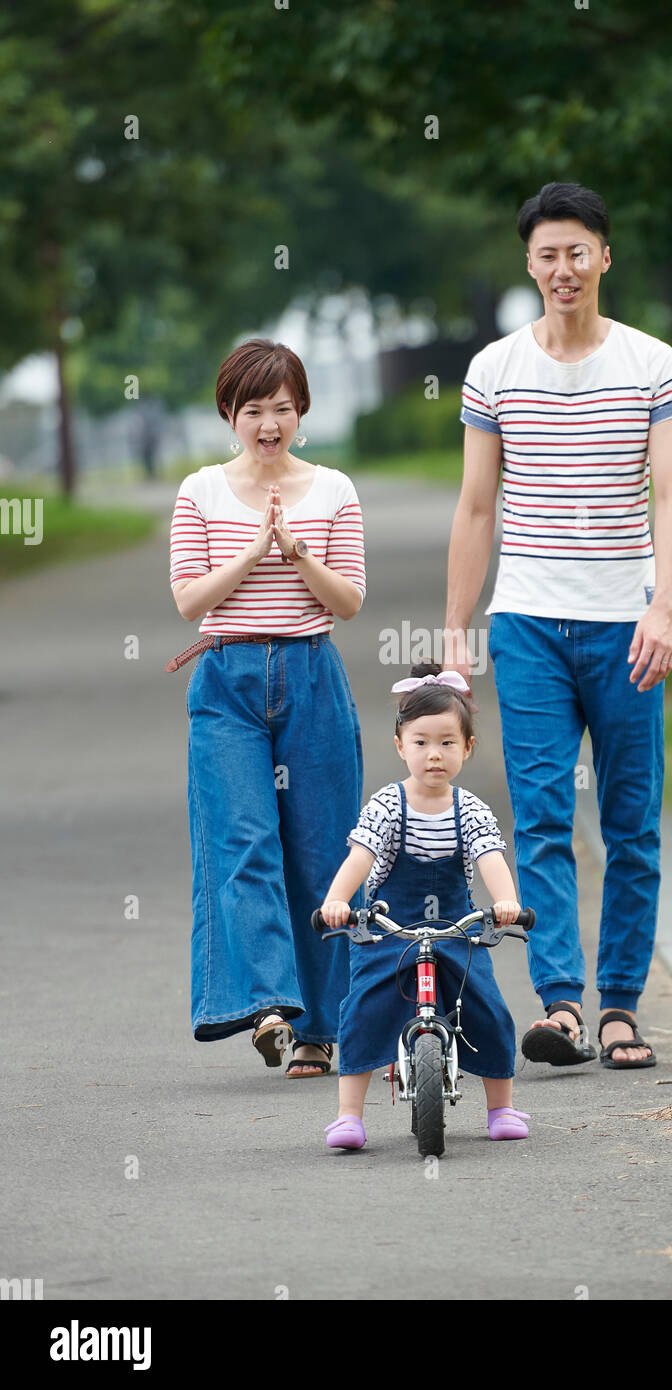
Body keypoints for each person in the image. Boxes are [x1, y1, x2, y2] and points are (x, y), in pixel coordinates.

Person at [444, 182, 672, 1070]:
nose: (562, 269)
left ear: (604, 257)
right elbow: (477, 508)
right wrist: (454, 630)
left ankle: (620, 1005)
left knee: (630, 823)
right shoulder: (495, 369)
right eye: (547, 255)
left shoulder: (651, 364)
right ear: (529, 263)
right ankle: (560, 1006)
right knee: (543, 818)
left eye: (577, 252)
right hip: (529, 626)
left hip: (626, 623)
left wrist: (663, 605)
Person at [167, 337, 365, 1077]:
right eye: (253, 409)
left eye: (282, 407)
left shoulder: (335, 489)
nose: (269, 422)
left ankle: (320, 1031)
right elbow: (190, 600)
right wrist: (253, 553)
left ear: (302, 410)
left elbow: (347, 600)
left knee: (324, 854)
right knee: (242, 842)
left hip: (313, 674)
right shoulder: (201, 491)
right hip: (227, 679)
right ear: (229, 414)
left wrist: (298, 553)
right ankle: (270, 1006)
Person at [318, 664, 530, 1149]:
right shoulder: (388, 805)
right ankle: (349, 1116)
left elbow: (490, 856)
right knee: (363, 1009)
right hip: (390, 928)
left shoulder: (470, 808)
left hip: (456, 928)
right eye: (421, 742)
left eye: (447, 743)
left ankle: (502, 1106)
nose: (434, 754)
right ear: (400, 745)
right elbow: (362, 856)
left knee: (489, 1008)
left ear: (467, 748)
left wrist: (506, 901)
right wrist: (336, 901)